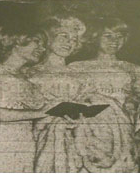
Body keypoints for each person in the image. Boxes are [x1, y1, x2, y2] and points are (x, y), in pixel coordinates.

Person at [67, 18, 140, 172]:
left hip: (125, 138)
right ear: (95, 37)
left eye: (119, 36)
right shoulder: (76, 67)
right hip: (88, 139)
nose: (114, 41)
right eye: (108, 35)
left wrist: (138, 136)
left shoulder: (134, 69)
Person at [0, 23, 49, 172]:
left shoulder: (30, 82)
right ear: (16, 41)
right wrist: (38, 113)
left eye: (44, 45)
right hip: (0, 146)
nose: (43, 49)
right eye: (37, 41)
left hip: (29, 150)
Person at [24, 14, 88, 172]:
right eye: (63, 36)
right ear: (48, 37)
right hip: (34, 139)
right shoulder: (28, 73)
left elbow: (87, 108)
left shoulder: (82, 77)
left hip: (73, 141)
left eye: (74, 39)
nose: (69, 43)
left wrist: (78, 121)